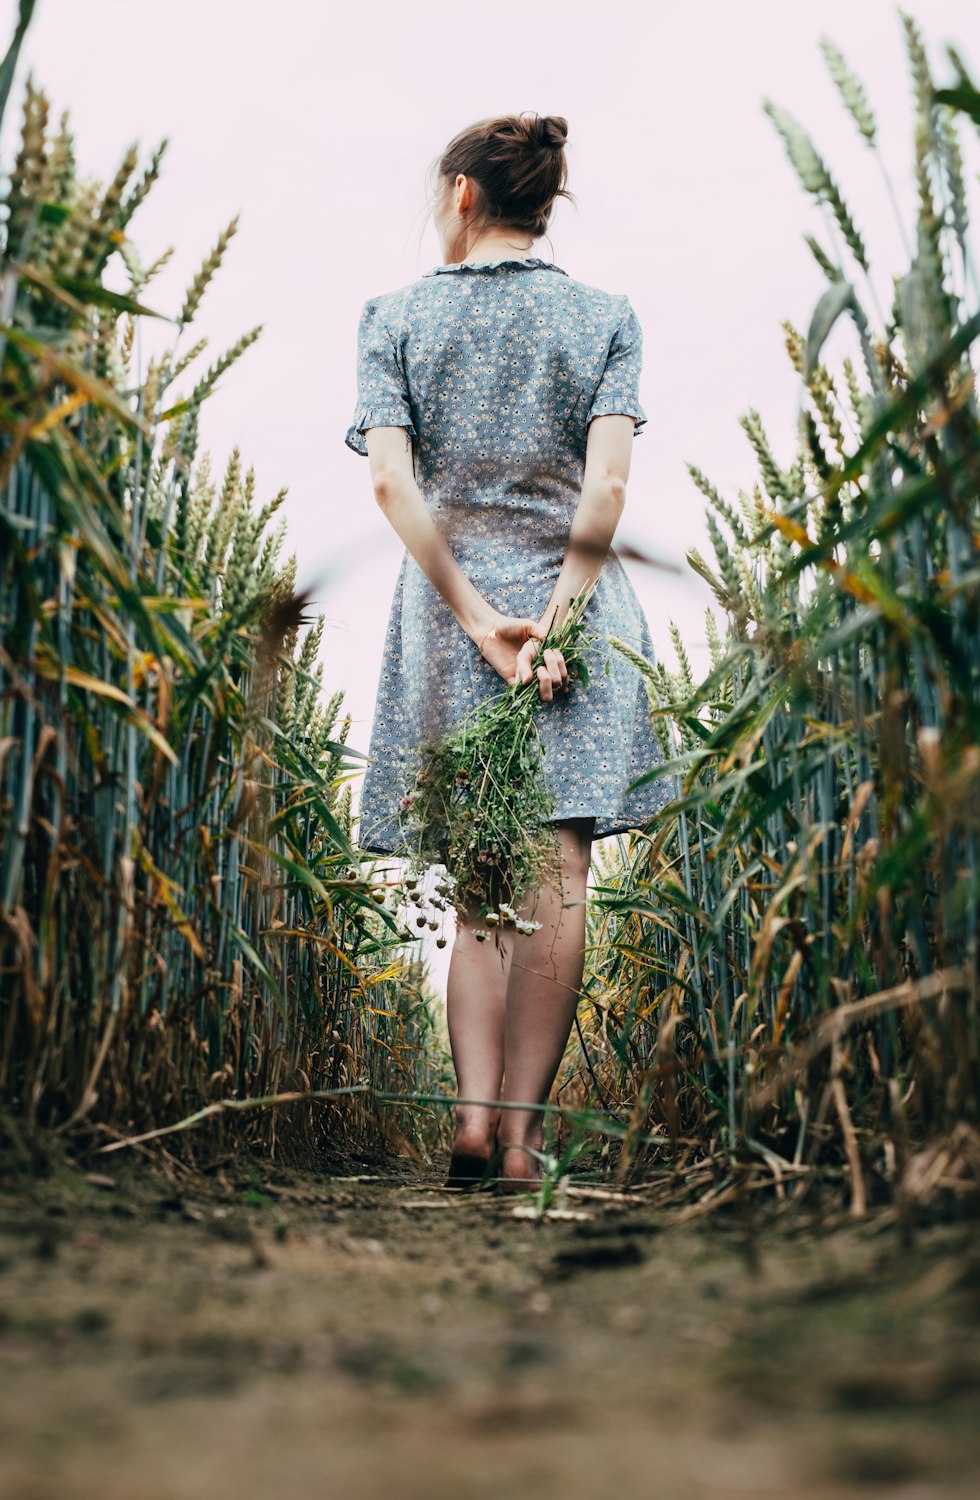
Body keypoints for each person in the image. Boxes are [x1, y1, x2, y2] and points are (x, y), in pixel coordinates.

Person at [345, 112, 666, 1193]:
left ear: (463, 194)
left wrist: (481, 623)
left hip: (446, 618)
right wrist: (555, 627)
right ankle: (525, 1140)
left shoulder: (391, 318)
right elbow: (607, 489)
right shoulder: (605, 316)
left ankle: (471, 1123)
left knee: (482, 875)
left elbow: (391, 484)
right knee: (561, 871)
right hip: (577, 616)